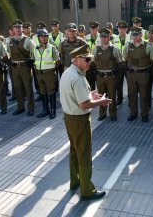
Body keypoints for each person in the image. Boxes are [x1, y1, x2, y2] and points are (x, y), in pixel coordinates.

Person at [60, 44, 110, 200]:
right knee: (84, 155)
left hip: (69, 118)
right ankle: (87, 191)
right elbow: (84, 105)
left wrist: (91, 95)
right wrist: (101, 102)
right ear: (76, 60)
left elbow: (79, 96)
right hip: (80, 120)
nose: (90, 62)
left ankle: (75, 182)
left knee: (74, 151)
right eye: (87, 59)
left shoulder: (68, 73)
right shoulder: (78, 77)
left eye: (90, 59)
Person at [123, 26, 153, 122]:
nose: (135, 37)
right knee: (132, 94)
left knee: (144, 95)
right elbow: (125, 57)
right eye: (133, 35)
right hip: (131, 74)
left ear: (141, 34)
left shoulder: (148, 46)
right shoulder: (127, 45)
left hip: (143, 74)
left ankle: (144, 114)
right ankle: (133, 113)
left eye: (137, 35)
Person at [7, 19, 36, 116]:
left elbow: (34, 53)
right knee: (17, 88)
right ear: (13, 29)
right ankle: (20, 107)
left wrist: (31, 62)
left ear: (22, 29)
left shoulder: (28, 40)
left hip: (25, 67)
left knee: (28, 88)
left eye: (19, 27)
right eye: (16, 27)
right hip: (15, 67)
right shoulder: (10, 41)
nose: (18, 29)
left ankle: (31, 108)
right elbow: (9, 54)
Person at [92, 28, 122, 121]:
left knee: (112, 95)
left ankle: (113, 114)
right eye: (102, 37)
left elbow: (120, 62)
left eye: (106, 37)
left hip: (111, 76)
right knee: (101, 96)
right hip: (100, 76)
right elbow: (93, 62)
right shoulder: (95, 49)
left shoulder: (115, 49)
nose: (104, 39)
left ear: (109, 37)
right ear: (100, 38)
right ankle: (102, 113)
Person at [33, 28, 60, 119]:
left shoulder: (52, 48)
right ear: (38, 38)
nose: (43, 38)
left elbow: (58, 61)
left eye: (45, 36)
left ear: (47, 37)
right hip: (39, 73)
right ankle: (45, 110)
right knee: (43, 92)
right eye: (41, 36)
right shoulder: (36, 47)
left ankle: (53, 110)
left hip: (49, 73)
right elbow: (34, 59)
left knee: (51, 92)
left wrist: (52, 69)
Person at [112, 20, 130, 105]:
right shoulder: (113, 39)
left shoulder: (130, 38)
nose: (121, 30)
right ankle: (119, 98)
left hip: (128, 64)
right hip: (118, 64)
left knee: (130, 83)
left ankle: (131, 98)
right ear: (118, 29)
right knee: (119, 82)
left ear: (126, 29)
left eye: (123, 28)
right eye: (120, 28)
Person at [85, 21, 100, 90]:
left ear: (97, 28)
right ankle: (92, 98)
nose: (93, 30)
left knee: (100, 82)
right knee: (90, 82)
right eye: (91, 28)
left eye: (94, 28)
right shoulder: (86, 38)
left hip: (98, 62)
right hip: (89, 62)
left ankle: (102, 98)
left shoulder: (101, 37)